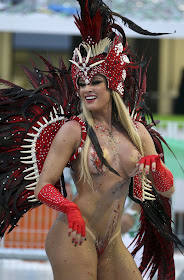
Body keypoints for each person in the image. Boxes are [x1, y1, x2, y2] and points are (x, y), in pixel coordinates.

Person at [0, 1, 183, 280]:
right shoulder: (75, 130)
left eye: (95, 81)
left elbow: (167, 190)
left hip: (111, 240)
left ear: (113, 84)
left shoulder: (137, 132)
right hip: (73, 233)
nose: (87, 88)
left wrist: (157, 168)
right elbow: (43, 187)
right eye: (82, 83)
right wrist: (69, 208)